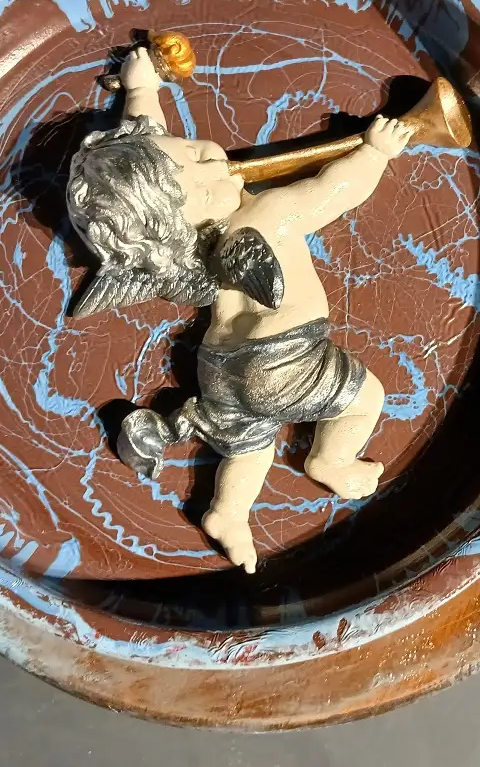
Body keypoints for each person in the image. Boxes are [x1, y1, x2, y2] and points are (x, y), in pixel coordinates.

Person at [67, 48, 411, 572]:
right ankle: (332, 460)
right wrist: (375, 153)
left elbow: (150, 143)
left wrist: (142, 89)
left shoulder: (183, 245)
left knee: (251, 445)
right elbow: (332, 194)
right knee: (364, 400)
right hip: (286, 354)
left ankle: (227, 512)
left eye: (192, 149)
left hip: (220, 365)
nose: (212, 158)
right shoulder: (268, 214)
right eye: (206, 184)